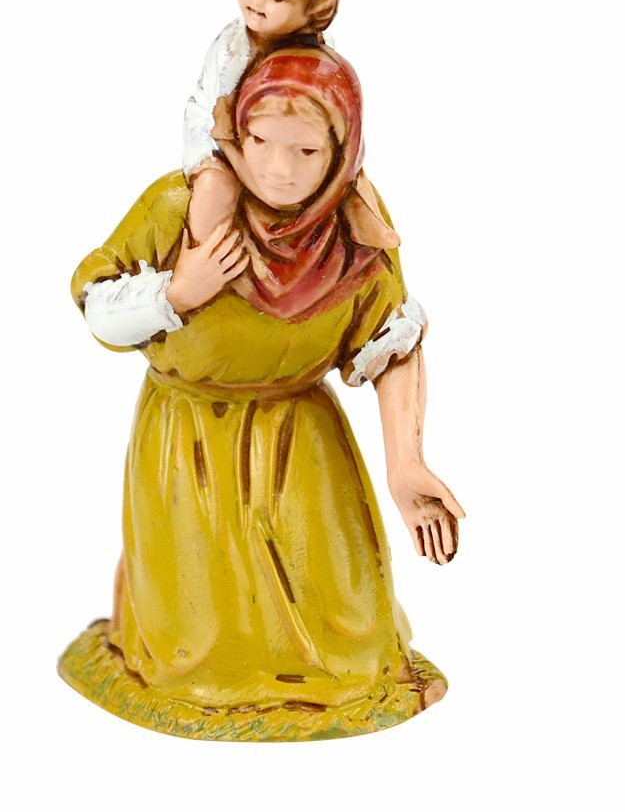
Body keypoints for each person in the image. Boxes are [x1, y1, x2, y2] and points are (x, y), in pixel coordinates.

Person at [63, 46, 464, 741]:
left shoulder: (353, 232)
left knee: (341, 607)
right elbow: (96, 301)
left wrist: (406, 461)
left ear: (341, 150)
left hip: (300, 442)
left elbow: (391, 341)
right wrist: (176, 293)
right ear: (233, 134)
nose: (279, 169)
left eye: (306, 150)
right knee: (197, 620)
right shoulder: (182, 210)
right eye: (259, 142)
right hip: (189, 443)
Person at [183, 0, 399, 251]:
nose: (255, 1)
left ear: (315, 6)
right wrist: (228, 155)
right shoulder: (231, 50)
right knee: (214, 191)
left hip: (275, 151)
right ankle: (203, 259)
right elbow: (208, 113)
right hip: (219, 144)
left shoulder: (320, 60)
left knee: (341, 188)